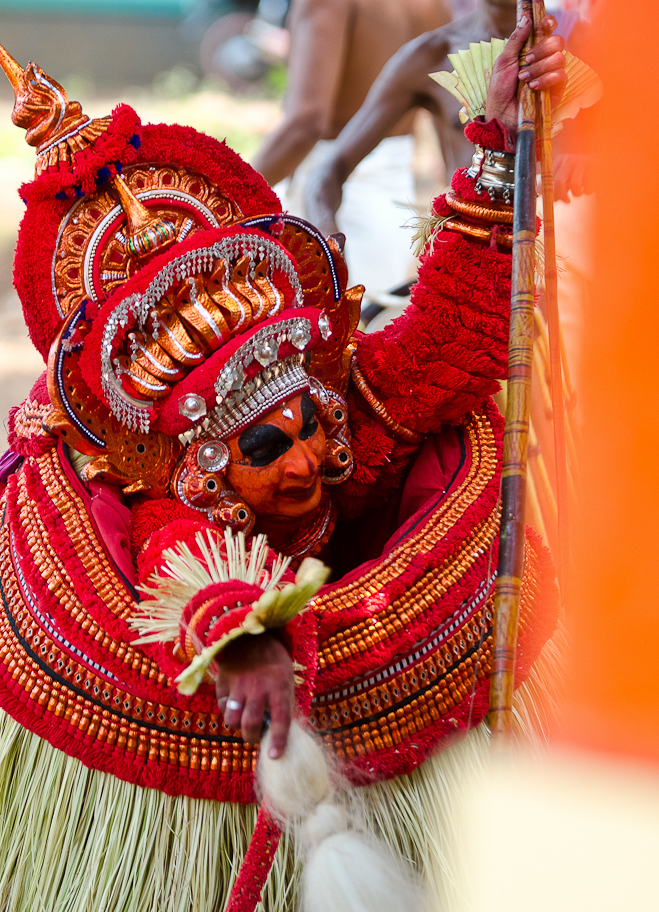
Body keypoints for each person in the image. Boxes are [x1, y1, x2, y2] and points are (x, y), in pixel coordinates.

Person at [0, 22, 565, 912]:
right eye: (264, 450)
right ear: (202, 466)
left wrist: (495, 141)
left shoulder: (351, 408)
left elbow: (450, 328)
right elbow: (172, 556)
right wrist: (245, 638)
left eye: (310, 422)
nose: (310, 458)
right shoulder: (174, 500)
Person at [252, 0, 452, 294]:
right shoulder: (433, 5)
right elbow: (448, 114)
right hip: (398, 205)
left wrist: (232, 196)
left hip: (328, 207)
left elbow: (306, 123)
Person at [304, 0, 522, 239]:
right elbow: (329, 169)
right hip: (472, 253)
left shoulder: (564, 50)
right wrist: (326, 237)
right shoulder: (434, 54)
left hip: (563, 258)